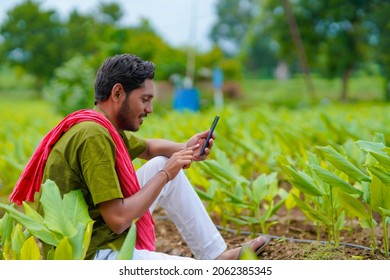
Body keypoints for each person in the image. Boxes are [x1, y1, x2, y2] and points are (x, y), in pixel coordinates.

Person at [10, 54, 270, 260]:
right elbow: (120, 220)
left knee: (159, 163)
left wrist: (186, 148)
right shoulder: (94, 137)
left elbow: (148, 148)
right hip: (92, 255)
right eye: (144, 99)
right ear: (118, 93)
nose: (149, 109)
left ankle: (215, 255)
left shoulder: (100, 125)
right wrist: (167, 173)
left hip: (99, 233)